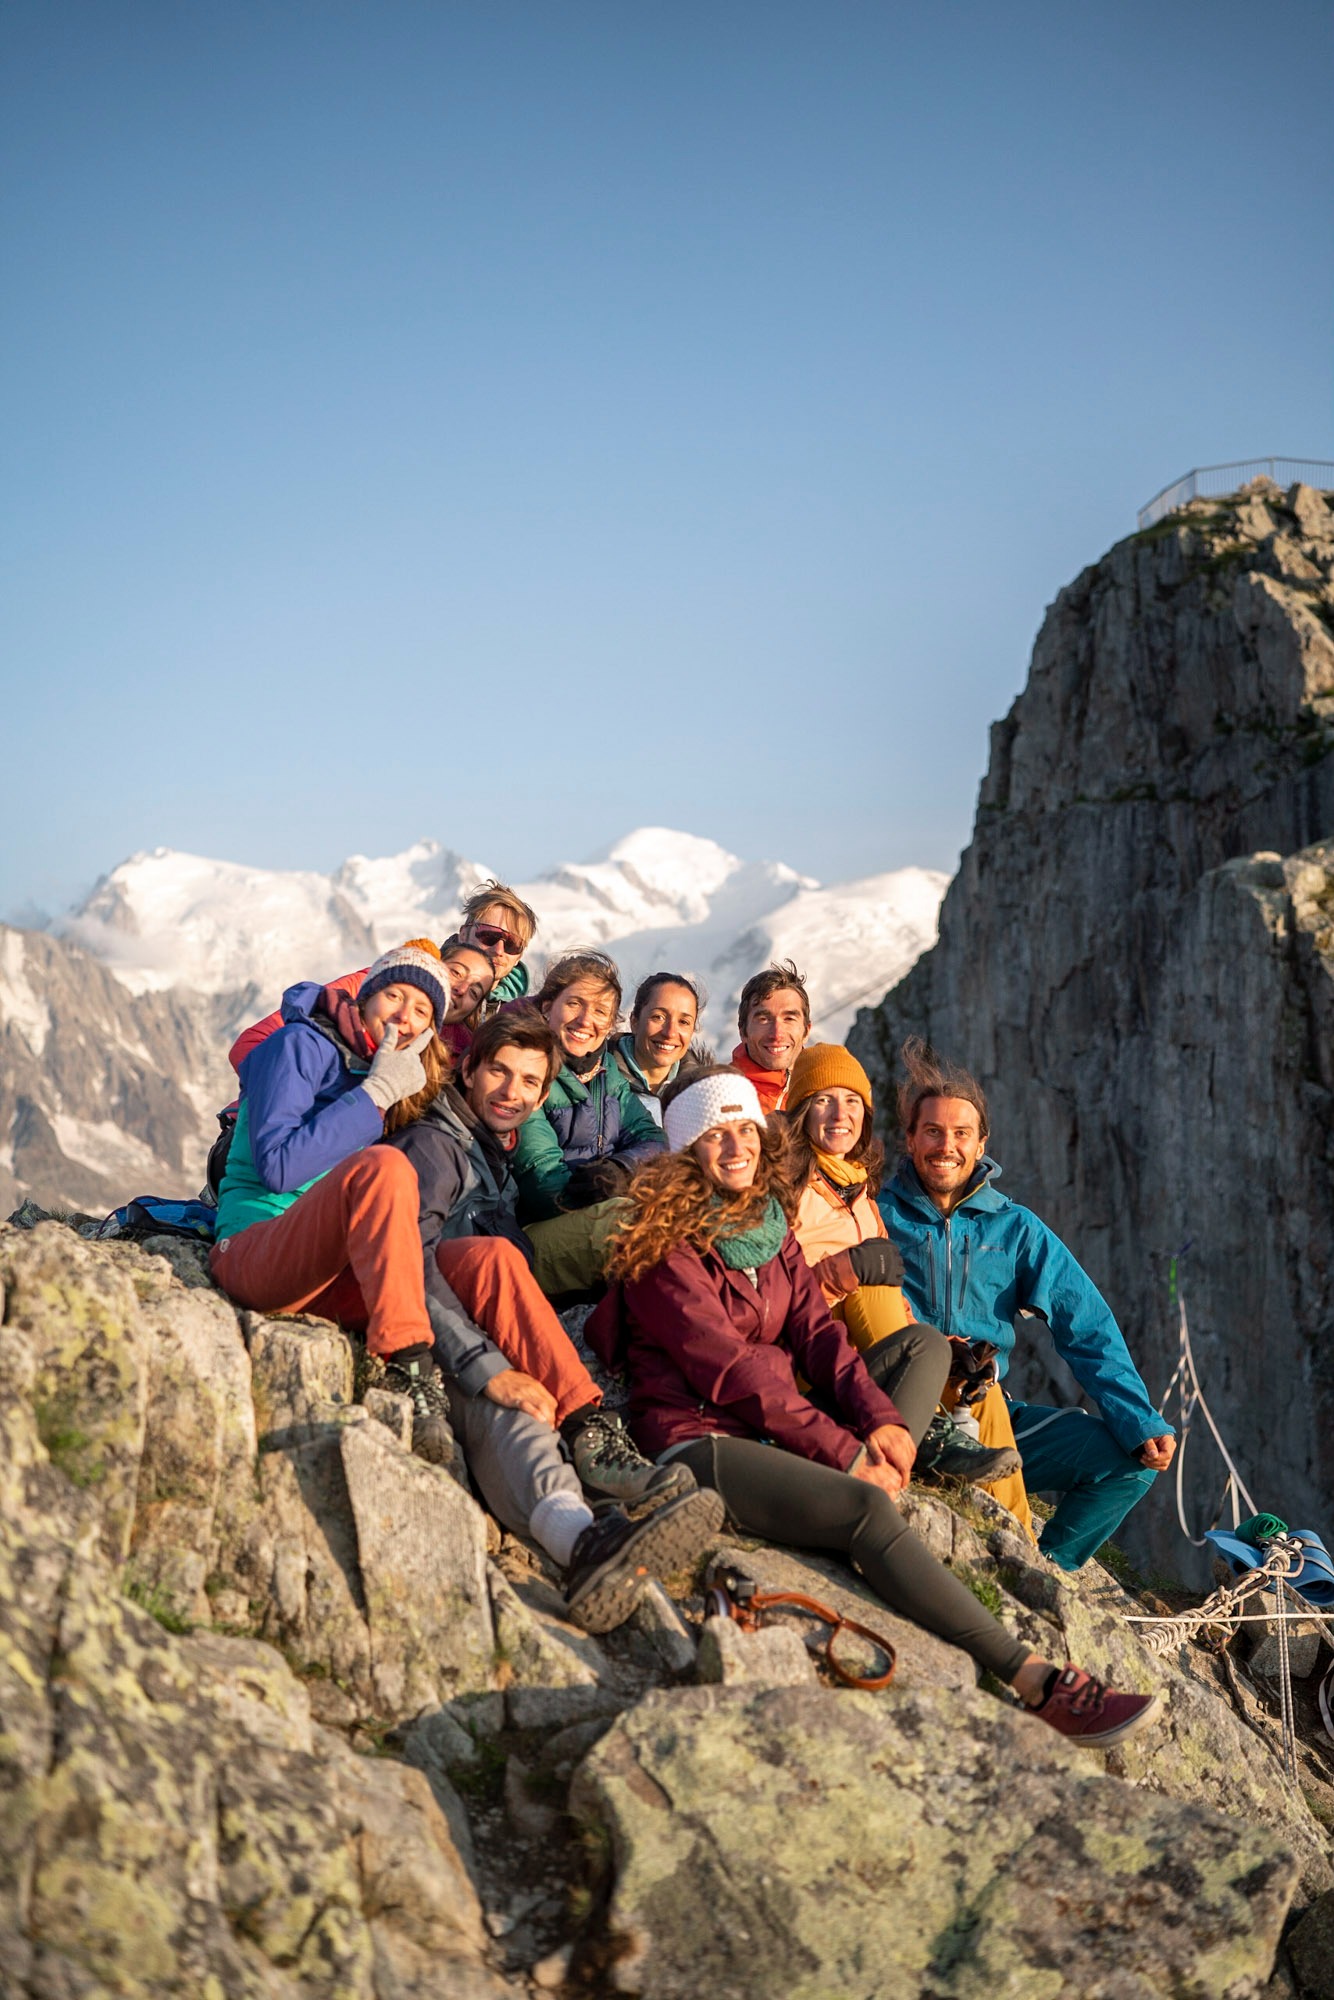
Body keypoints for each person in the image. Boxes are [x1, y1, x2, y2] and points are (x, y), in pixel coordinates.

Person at [586, 1068, 1162, 1747]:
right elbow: (730, 1371)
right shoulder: (667, 1246)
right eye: (715, 1136)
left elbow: (820, 1336)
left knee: (923, 1348)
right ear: (686, 1151)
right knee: (866, 1509)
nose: (737, 1146)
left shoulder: (766, 1227)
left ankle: (900, 1464)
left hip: (775, 1423)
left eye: (746, 1128)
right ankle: (1035, 1680)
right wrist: (848, 1454)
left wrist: (883, 1426)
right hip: (701, 1439)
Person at [879, 1040, 1177, 1571]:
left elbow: (1084, 1323)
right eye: (932, 1131)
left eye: (961, 1134)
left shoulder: (1016, 1228)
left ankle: (1042, 1571)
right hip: (900, 1407)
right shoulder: (877, 1215)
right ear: (909, 1139)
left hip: (991, 1412)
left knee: (1130, 1463)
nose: (946, 1145)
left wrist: (1137, 1418)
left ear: (981, 1143)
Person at [784, 1042, 1024, 1495]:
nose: (840, 1113)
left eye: (852, 1101)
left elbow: (891, 1305)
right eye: (823, 1100)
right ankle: (929, 1431)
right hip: (807, 1364)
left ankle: (1023, 1545)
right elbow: (769, 1298)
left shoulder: (862, 1201)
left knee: (978, 1391)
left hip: (860, 1363)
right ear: (800, 1111)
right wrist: (845, 1271)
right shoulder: (783, 1186)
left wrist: (954, 1351)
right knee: (870, 1280)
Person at [512, 951, 666, 1295]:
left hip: (596, 1217)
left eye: (600, 1011)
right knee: (633, 1222)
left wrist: (619, 1171)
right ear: (547, 1006)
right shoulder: (525, 1068)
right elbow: (543, 1185)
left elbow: (654, 1140)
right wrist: (610, 1190)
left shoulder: (605, 1074)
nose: (586, 1020)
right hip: (531, 1235)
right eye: (575, 1004)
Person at [228, 936, 495, 1071]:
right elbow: (251, 1044)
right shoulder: (373, 986)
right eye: (456, 972)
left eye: (474, 992)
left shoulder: (460, 1051)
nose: (460, 989)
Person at [612, 972, 706, 1126]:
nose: (670, 1032)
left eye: (683, 1021)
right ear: (634, 1021)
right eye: (658, 1017)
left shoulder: (702, 1093)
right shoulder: (598, 1080)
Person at [730, 961, 810, 1112]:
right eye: (763, 1019)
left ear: (806, 1031)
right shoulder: (720, 1096)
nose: (777, 1034)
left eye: (789, 1019)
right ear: (743, 1031)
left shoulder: (824, 1096)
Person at [449, 879, 539, 1012]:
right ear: (463, 935)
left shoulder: (523, 1018)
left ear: (519, 956)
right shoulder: (425, 989)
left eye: (512, 944)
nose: (499, 950)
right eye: (489, 936)